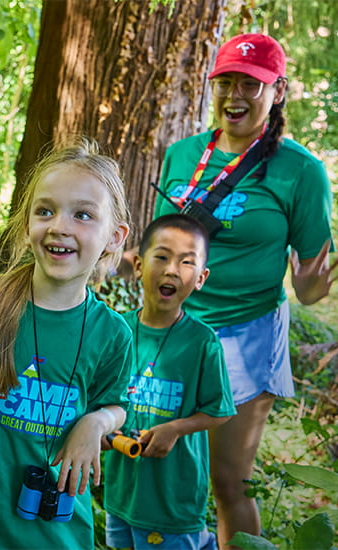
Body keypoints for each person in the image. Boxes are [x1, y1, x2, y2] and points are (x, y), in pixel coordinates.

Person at [149, 33, 338, 548]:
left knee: (228, 480)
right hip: (173, 330)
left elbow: (309, 287)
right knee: (165, 468)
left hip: (246, 332)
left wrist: (309, 284)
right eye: (227, 81)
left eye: (251, 85)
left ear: (277, 91)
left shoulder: (301, 171)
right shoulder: (183, 154)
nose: (236, 94)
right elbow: (162, 244)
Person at [0, 139, 136, 549]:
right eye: (45, 211)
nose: (60, 226)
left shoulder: (112, 333)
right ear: (26, 224)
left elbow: (116, 405)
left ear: (114, 236)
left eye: (82, 215)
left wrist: (96, 422)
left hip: (56, 532)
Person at [102, 214, 236, 550]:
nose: (172, 270)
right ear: (137, 265)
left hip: (173, 502)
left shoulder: (201, 342)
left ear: (201, 278)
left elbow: (220, 411)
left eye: (186, 262)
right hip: (122, 494)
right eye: (161, 257)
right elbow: (100, 398)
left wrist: (175, 429)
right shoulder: (117, 331)